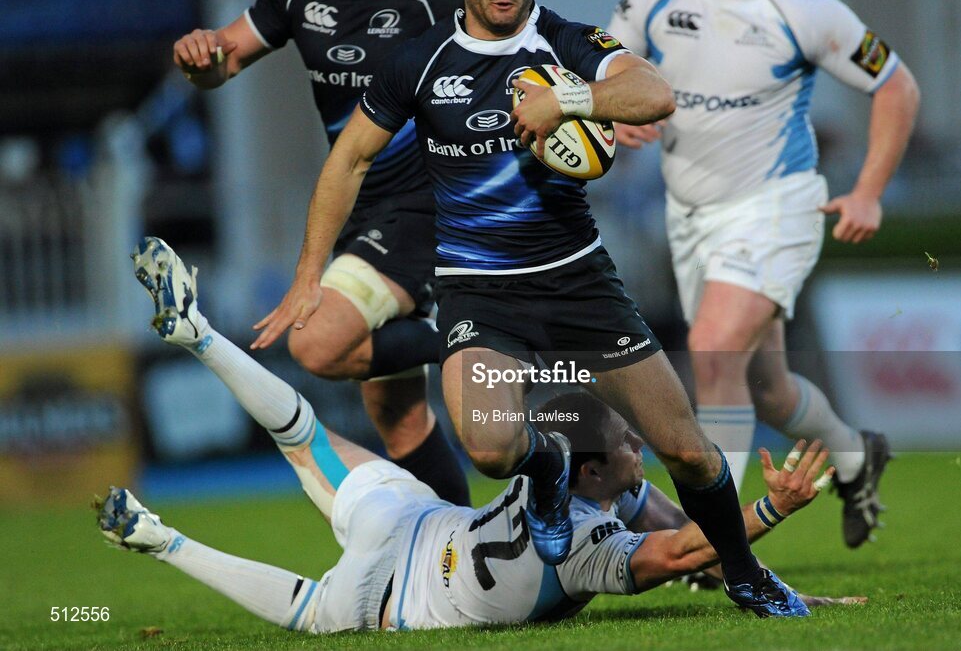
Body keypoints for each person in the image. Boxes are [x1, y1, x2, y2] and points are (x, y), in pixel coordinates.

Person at [251, 0, 809, 616]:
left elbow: (654, 92)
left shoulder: (564, 41)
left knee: (691, 451)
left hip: (580, 287)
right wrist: (308, 275)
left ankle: (744, 572)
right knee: (488, 444)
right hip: (481, 295)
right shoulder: (417, 60)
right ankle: (548, 462)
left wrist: (568, 98)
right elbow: (348, 159)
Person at [97, 236, 837, 631]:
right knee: (306, 610)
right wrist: (773, 509)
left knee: (301, 432)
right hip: (391, 593)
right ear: (586, 473)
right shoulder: (582, 548)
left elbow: (684, 530)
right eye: (624, 444)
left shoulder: (594, 479)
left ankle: (199, 335)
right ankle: (164, 541)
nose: (636, 448)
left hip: (412, 516)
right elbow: (679, 549)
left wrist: (764, 573)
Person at [606, 0, 920, 549]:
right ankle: (857, 454)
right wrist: (611, 113)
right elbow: (605, 65)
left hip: (777, 207)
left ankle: (712, 545)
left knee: (715, 354)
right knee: (769, 388)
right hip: (692, 218)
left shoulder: (806, 12)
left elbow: (898, 86)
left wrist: (867, 189)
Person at [171, 0, 470, 505]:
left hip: (428, 206)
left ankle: (472, 333)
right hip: (364, 209)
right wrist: (198, 57)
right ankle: (465, 560)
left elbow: (506, 61)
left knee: (315, 342)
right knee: (400, 416)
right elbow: (221, 63)